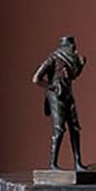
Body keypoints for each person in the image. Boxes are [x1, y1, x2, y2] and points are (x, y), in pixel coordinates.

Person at [34, 34, 87, 172]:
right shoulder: (53, 58)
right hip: (57, 96)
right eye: (71, 46)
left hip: (68, 94)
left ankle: (78, 163)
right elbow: (36, 78)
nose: (73, 48)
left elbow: (72, 76)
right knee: (59, 129)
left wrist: (81, 66)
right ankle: (53, 164)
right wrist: (52, 87)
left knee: (75, 128)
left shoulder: (72, 60)